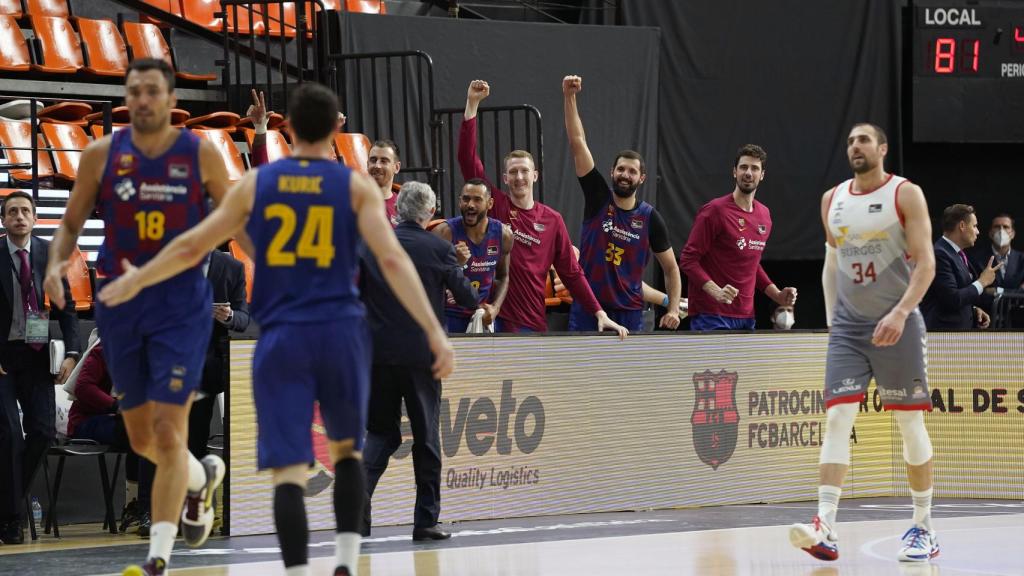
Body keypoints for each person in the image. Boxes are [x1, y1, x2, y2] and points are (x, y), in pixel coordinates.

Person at [97, 82, 455, 576]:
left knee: (288, 472)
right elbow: (393, 261)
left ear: (286, 127)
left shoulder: (256, 185)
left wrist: (139, 276)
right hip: (340, 332)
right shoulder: (354, 187)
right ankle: (346, 564)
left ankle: (296, 571)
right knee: (348, 452)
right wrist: (434, 332)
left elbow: (191, 246)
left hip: (283, 336)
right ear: (336, 131)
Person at [43, 58, 229, 575]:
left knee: (168, 430)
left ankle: (157, 559)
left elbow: (236, 218)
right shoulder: (103, 153)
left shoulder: (200, 153)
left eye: (152, 91)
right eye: (134, 92)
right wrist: (58, 262)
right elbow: (71, 222)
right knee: (143, 436)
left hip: (180, 308)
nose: (142, 100)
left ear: (172, 101)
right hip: (120, 307)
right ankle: (197, 480)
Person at [790, 123, 938, 564]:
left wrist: (899, 312)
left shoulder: (905, 194)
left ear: (882, 149)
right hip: (850, 330)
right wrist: (835, 322)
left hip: (899, 322)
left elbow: (927, 264)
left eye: (864, 140)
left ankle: (923, 526)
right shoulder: (831, 200)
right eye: (851, 141)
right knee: (837, 419)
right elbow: (832, 263)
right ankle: (825, 524)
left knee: (910, 426)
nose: (855, 146)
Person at [458, 79, 627, 338]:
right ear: (505, 179)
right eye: (513, 172)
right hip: (496, 321)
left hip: (534, 325)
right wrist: (472, 105)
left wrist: (599, 313)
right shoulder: (496, 206)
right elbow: (468, 162)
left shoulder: (552, 220)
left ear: (535, 175)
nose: (519, 177)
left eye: (524, 171)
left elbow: (572, 273)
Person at [361, 181, 477, 541]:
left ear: (398, 210)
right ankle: (426, 521)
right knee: (427, 437)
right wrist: (459, 267)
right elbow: (469, 300)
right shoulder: (438, 248)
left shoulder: (371, 247)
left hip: (377, 355)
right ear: (429, 213)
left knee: (380, 432)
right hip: (421, 358)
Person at [562, 75, 681, 332]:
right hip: (589, 309)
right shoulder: (598, 199)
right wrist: (569, 97)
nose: (625, 175)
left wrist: (672, 308)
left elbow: (671, 268)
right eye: (621, 169)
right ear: (612, 172)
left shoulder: (650, 218)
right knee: (581, 372)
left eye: (632, 171)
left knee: (624, 374)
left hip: (629, 313)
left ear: (642, 178)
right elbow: (578, 143)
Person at [0, 191, 80, 545]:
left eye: (25, 211)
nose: (19, 216)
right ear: (4, 220)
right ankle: (13, 519)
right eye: (12, 211)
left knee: (44, 432)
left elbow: (67, 309)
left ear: (34, 218)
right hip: (2, 360)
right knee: (10, 438)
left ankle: (8, 506)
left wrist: (72, 353)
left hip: (36, 357)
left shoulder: (50, 253)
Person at [679, 144, 797, 330]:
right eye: (743, 167)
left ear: (762, 175)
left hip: (746, 317)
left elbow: (751, 264)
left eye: (754, 168)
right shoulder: (714, 211)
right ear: (734, 172)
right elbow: (688, 259)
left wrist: (777, 295)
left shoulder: (764, 215)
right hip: (711, 314)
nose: (748, 173)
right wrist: (715, 291)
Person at [67, 342, 155, 537]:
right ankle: (144, 510)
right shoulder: (106, 348)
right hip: (88, 421)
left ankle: (138, 506)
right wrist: (116, 406)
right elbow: (83, 387)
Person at [188, 249, 249, 461]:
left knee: (196, 435)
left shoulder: (232, 267)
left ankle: (195, 484)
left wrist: (229, 316)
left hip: (206, 364)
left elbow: (243, 319)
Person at [431, 178, 513, 332]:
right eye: (466, 199)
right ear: (459, 201)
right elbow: (428, 280)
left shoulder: (503, 235)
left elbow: (503, 277)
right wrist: (455, 264)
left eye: (477, 200)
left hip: (481, 316)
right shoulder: (443, 233)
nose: (470, 205)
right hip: (449, 316)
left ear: (490, 203)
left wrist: (495, 307)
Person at [919, 204, 1000, 330]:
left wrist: (972, 310)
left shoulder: (955, 253)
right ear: (962, 226)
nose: (978, 232)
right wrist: (982, 282)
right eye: (974, 226)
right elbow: (952, 299)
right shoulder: (939, 254)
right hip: (943, 337)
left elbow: (948, 297)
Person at [970, 214, 1024, 299]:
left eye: (1006, 227)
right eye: (997, 227)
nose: (1001, 230)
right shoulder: (976, 259)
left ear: (1013, 234)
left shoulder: (1022, 259)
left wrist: (997, 291)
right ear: (990, 233)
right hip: (986, 311)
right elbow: (974, 291)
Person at [367, 140, 402, 227]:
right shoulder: (354, 202)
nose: (377, 165)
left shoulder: (404, 207)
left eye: (384, 161)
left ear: (396, 167)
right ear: (367, 164)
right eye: (373, 160)